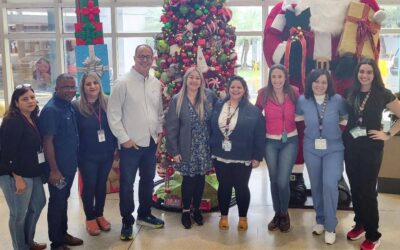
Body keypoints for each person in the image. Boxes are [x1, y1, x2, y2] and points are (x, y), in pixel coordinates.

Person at [107, 44, 164, 241]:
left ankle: (144, 214)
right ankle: (127, 221)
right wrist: (125, 139)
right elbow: (113, 114)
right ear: (134, 58)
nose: (145, 60)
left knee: (148, 180)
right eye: (141, 56)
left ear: (153, 59)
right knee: (127, 184)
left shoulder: (155, 83)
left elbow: (158, 112)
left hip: (150, 142)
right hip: (131, 145)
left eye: (148, 56)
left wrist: (158, 136)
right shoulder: (123, 83)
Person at [343, 59, 400, 250]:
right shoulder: (351, 92)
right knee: (356, 189)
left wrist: (388, 134)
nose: (364, 75)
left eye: (369, 72)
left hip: (371, 149)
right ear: (357, 74)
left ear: (374, 74)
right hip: (351, 147)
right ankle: (360, 223)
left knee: (368, 192)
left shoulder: (382, 94)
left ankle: (373, 234)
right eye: (361, 72)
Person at [295, 69, 347, 245]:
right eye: (316, 81)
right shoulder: (303, 100)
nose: (319, 85)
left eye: (324, 82)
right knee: (316, 185)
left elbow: (347, 119)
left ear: (329, 84)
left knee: (329, 184)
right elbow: (296, 118)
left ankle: (331, 225)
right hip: (311, 147)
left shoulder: (337, 100)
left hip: (333, 148)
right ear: (310, 83)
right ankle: (320, 220)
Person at [210, 76, 264, 231]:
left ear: (244, 90)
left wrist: (257, 156)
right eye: (232, 87)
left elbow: (259, 134)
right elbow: (211, 127)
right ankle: (224, 217)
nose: (235, 90)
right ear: (228, 89)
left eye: (239, 87)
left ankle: (242, 218)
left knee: (241, 187)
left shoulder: (253, 110)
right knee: (224, 186)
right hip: (221, 154)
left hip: (243, 156)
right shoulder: (219, 105)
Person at [165, 67, 216, 229]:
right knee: (188, 180)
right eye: (191, 78)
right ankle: (186, 211)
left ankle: (197, 210)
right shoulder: (177, 100)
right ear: (186, 80)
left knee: (200, 179)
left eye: (198, 78)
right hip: (186, 147)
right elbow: (171, 127)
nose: (194, 81)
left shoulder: (209, 96)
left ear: (201, 81)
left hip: (204, 147)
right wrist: (175, 151)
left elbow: (217, 116)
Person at [0, 84, 46, 250]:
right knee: (18, 214)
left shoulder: (32, 118)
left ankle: (28, 241)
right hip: (15, 174)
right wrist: (17, 178)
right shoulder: (12, 121)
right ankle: (21, 247)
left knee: (39, 203)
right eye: (25, 99)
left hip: (32, 171)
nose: (30, 101)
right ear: (16, 103)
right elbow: (6, 152)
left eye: (32, 97)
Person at [39, 73, 82, 250]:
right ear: (56, 88)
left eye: (73, 87)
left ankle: (63, 234)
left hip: (70, 165)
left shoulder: (68, 106)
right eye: (65, 87)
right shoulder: (51, 110)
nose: (70, 90)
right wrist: (54, 170)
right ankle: (56, 243)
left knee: (63, 200)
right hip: (59, 168)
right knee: (57, 203)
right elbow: (47, 142)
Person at [255, 64, 299, 232]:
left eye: (280, 76)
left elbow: (303, 110)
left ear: (285, 77)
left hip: (290, 140)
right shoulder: (263, 93)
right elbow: (255, 115)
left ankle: (284, 212)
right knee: (274, 180)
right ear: (270, 78)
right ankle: (278, 214)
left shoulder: (294, 92)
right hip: (270, 142)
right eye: (274, 77)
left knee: (282, 181)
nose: (277, 80)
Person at [73, 72, 117, 236]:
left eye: (95, 83)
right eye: (88, 84)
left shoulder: (108, 103)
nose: (92, 86)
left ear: (100, 85)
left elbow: (114, 127)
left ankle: (99, 214)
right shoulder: (76, 107)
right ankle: (90, 217)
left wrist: (116, 149)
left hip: (106, 153)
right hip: (87, 155)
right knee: (89, 186)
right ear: (83, 88)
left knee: (101, 185)